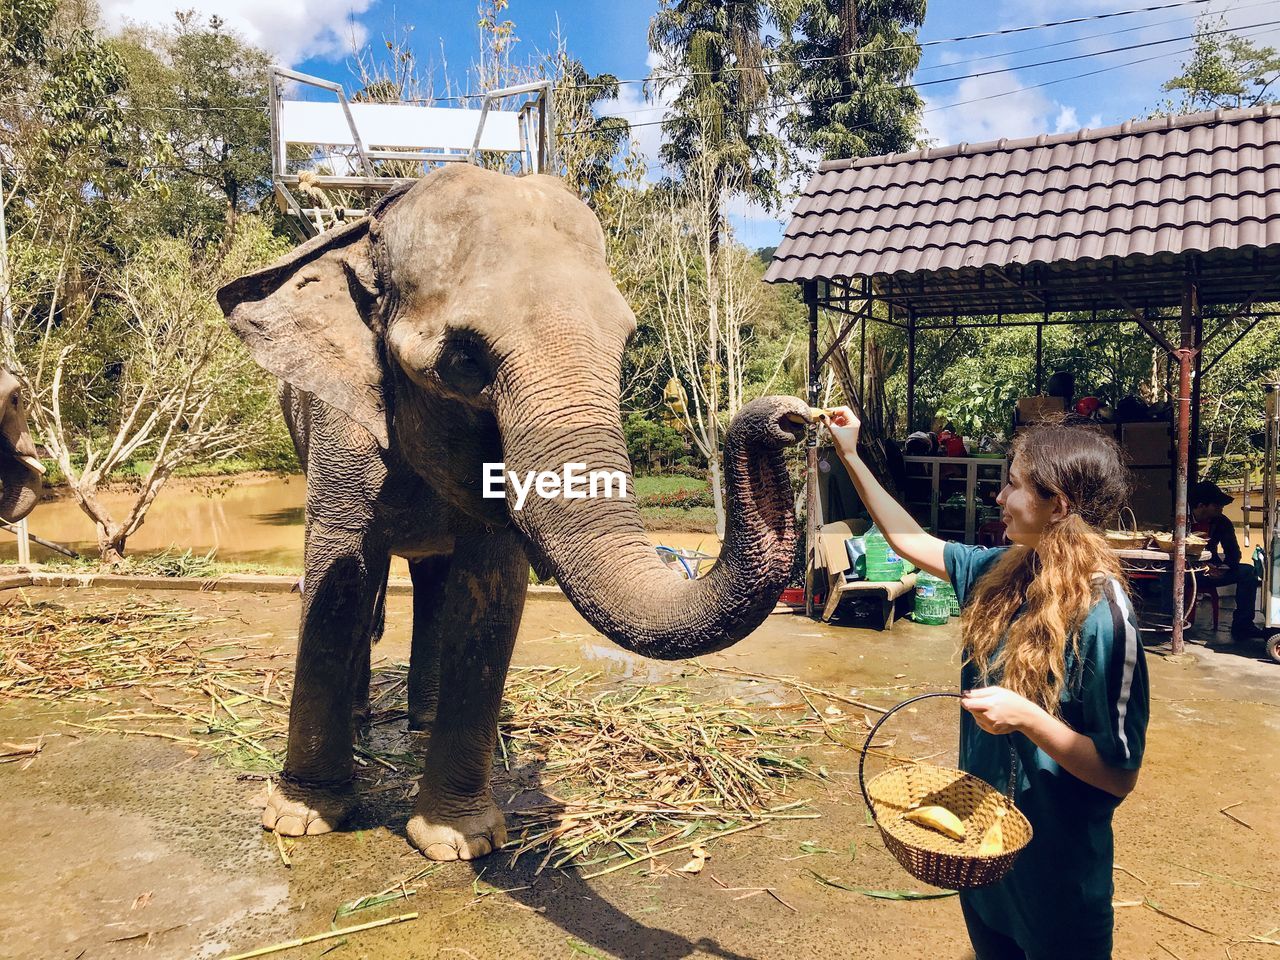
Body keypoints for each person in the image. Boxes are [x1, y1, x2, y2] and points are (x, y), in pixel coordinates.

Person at [825, 407, 1148, 960]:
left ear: (1058, 505)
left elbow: (1118, 776)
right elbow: (910, 541)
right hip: (983, 854)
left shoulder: (1104, 617)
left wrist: (1027, 717)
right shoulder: (1004, 571)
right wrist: (850, 454)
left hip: (1056, 877)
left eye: (1013, 484)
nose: (998, 497)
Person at [1190, 480, 1263, 642]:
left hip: (1212, 572)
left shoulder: (1221, 522)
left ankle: (1243, 625)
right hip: (1186, 572)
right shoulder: (1180, 519)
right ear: (1201, 506)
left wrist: (1224, 567)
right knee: (1167, 574)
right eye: (1216, 506)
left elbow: (1233, 553)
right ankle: (1170, 623)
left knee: (1248, 572)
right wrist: (1202, 566)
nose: (1221, 509)